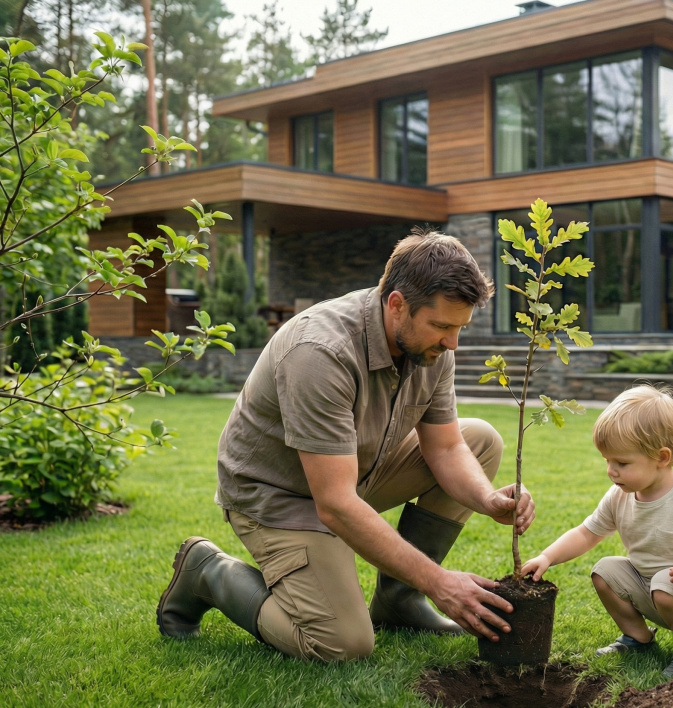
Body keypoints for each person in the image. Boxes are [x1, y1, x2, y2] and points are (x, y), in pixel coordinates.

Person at [156, 228, 535, 662]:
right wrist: (441, 582)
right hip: (279, 496)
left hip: (351, 474)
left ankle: (400, 602)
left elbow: (446, 448)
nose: (452, 343)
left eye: (460, 328)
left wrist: (487, 499)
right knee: (343, 644)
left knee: (481, 440)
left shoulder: (430, 347)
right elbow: (334, 503)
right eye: (442, 327)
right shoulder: (320, 351)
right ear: (397, 305)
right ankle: (208, 572)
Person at [521, 385, 673, 678]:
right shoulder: (619, 495)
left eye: (622, 463)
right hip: (652, 587)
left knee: (667, 580)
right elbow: (587, 533)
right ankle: (638, 638)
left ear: (662, 458)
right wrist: (547, 557)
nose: (611, 471)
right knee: (605, 570)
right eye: (607, 461)